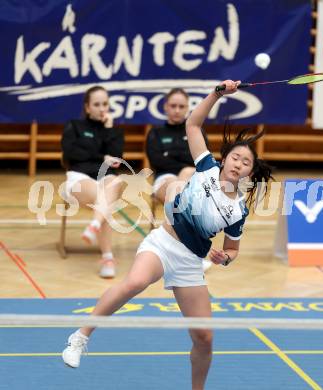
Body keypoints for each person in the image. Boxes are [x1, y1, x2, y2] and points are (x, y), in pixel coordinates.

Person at [62, 80, 273, 389]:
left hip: (191, 262)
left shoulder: (239, 210)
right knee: (134, 282)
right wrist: (217, 93)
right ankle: (80, 337)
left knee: (204, 336)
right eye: (235, 157)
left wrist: (223, 258)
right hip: (164, 244)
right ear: (224, 158)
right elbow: (194, 123)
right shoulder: (205, 168)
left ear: (250, 173)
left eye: (246, 162)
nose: (238, 164)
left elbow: (233, 250)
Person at [61, 85, 124, 278]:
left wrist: (109, 129)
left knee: (116, 181)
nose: (102, 108)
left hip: (105, 179)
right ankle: (107, 257)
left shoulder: (112, 129)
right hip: (79, 178)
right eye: (96, 104)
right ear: (87, 107)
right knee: (105, 202)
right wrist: (100, 157)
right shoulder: (74, 125)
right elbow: (71, 153)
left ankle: (94, 226)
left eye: (105, 103)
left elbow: (117, 160)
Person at [146, 87, 212, 271]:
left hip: (191, 180)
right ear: (165, 107)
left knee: (187, 174)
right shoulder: (155, 133)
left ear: (187, 108)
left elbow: (202, 160)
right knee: (180, 190)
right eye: (173, 105)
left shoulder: (196, 131)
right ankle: (191, 255)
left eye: (181, 106)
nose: (177, 110)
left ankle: (173, 251)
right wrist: (183, 159)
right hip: (164, 180)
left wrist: (173, 158)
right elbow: (156, 161)